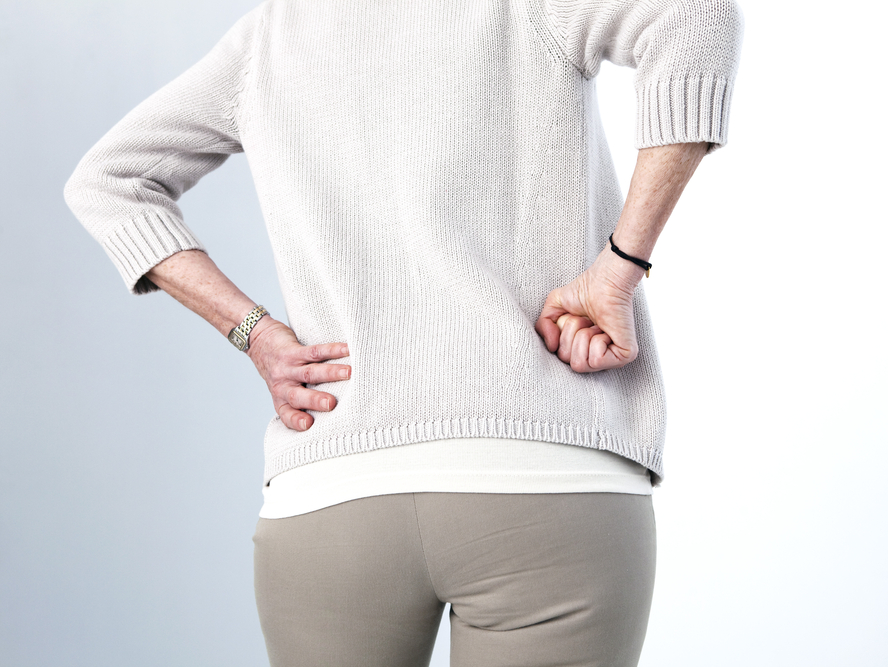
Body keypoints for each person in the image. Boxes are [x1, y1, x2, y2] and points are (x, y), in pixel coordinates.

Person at [64, 0, 744, 664]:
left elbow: (109, 179)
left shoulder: (267, 38)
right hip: (549, 474)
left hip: (334, 492)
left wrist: (255, 332)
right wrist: (619, 267)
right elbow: (698, 16)